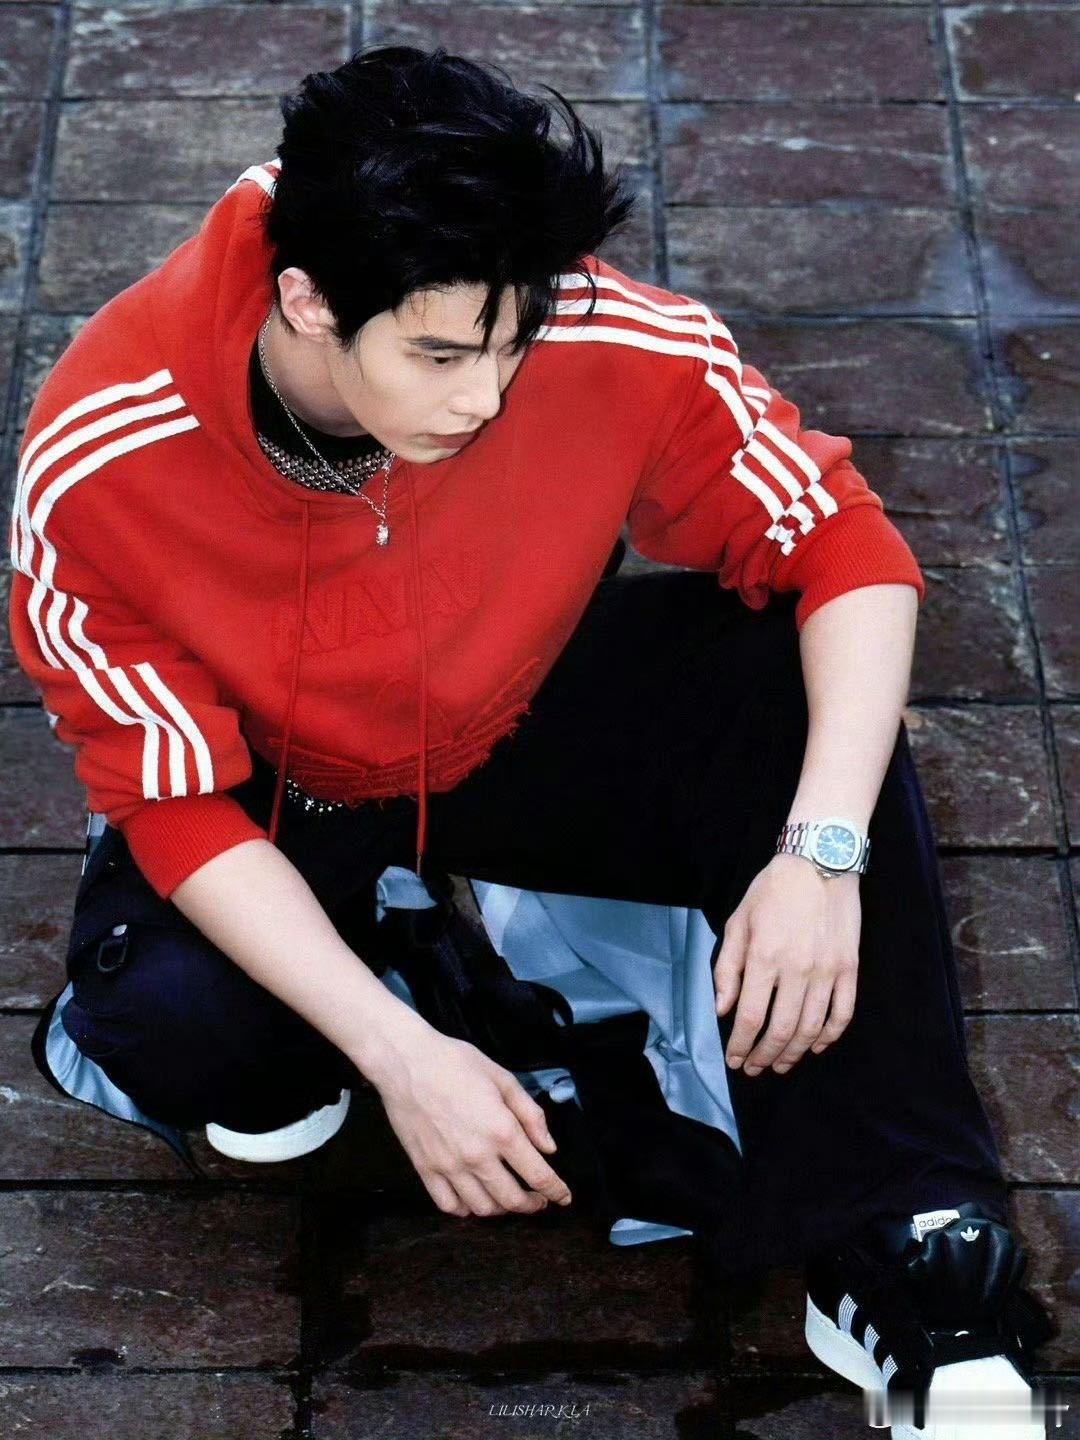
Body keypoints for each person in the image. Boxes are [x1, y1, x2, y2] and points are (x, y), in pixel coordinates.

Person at [9, 43, 1055, 1437]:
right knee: (195, 1034)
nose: (486, 397)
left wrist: (820, 854)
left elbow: (845, 547)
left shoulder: (579, 325)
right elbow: (178, 802)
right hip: (279, 780)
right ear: (307, 302)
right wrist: (399, 1053)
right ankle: (390, 975)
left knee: (782, 678)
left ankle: (910, 1244)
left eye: (513, 344)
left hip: (508, 707)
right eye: (440, 356)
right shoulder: (100, 450)